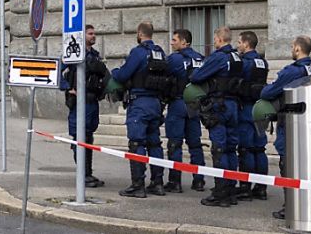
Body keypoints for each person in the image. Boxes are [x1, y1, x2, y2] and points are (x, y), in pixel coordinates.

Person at [260, 35, 311, 219]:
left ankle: (291, 205)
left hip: (292, 121)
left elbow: (269, 92)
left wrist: (266, 90)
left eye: (293, 46)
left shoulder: (292, 71)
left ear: (298, 49)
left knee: (289, 162)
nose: (291, 49)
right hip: (310, 120)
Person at [111, 22, 171, 198]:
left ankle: (138, 185)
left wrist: (115, 72)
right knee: (155, 144)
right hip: (155, 104)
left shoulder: (138, 52)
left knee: (137, 143)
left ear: (139, 34)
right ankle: (157, 183)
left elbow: (123, 75)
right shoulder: (159, 52)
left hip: (140, 104)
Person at [189, 26, 242, 207]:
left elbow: (196, 76)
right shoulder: (237, 57)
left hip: (220, 106)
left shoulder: (219, 57)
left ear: (219, 39)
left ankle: (221, 193)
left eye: (215, 39)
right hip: (234, 106)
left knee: (219, 149)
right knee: (230, 148)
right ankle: (231, 189)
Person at [60, 25, 108, 188]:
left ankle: (87, 173)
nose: (93, 36)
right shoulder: (73, 53)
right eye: (90, 34)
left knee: (88, 137)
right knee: (79, 137)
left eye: (94, 33)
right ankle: (83, 174)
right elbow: (56, 71)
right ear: (83, 36)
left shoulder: (94, 55)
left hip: (92, 102)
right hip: (79, 104)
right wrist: (68, 87)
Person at [163, 29, 206, 193]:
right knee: (195, 144)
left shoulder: (175, 58)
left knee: (175, 144)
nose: (172, 43)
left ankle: (175, 181)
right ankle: (199, 180)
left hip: (178, 102)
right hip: (194, 105)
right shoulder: (200, 58)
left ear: (184, 42)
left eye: (175, 40)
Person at [235, 31, 269, 201]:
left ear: (247, 44)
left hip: (246, 107)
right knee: (260, 149)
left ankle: (245, 187)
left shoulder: (244, 63)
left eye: (239, 42)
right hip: (260, 108)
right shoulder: (262, 62)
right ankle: (261, 188)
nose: (237, 45)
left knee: (246, 149)